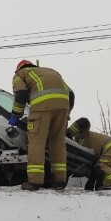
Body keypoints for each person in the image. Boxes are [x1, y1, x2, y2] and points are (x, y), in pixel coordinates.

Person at [9, 59, 75, 191]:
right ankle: (59, 181)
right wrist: (66, 113)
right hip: (63, 107)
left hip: (41, 108)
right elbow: (71, 94)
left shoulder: (20, 74)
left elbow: (21, 94)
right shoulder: (50, 71)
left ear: (19, 68)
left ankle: (34, 181)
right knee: (57, 143)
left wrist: (16, 115)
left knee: (36, 143)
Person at [67, 117, 111, 191]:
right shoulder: (81, 147)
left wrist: (68, 133)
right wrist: (90, 185)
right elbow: (94, 171)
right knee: (103, 174)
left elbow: (84, 121)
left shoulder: (81, 137)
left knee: (102, 166)